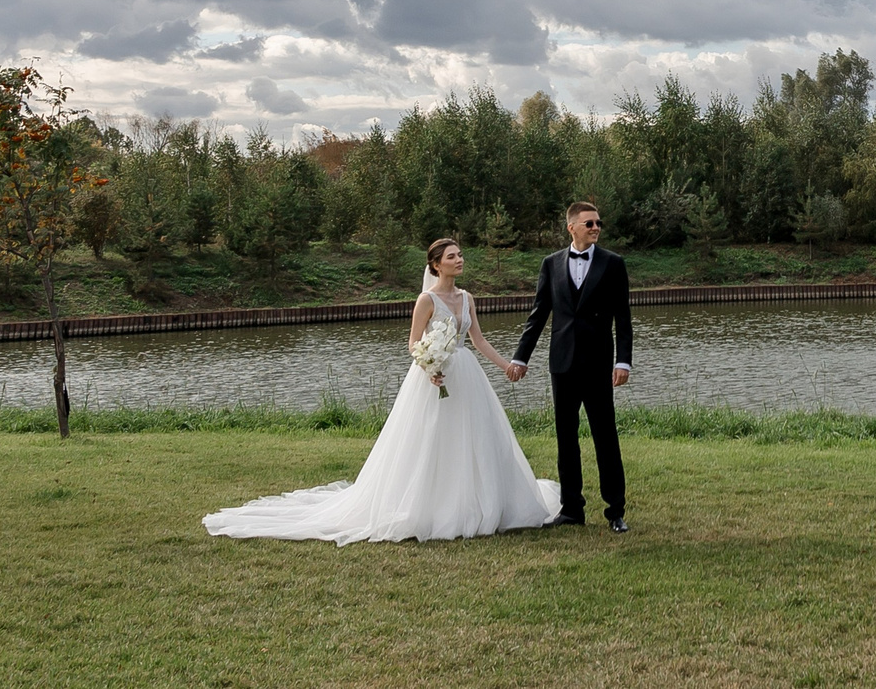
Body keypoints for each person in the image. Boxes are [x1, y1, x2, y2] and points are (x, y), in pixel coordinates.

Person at [202, 236, 561, 542]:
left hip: (466, 373)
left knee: (474, 436)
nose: (459, 260)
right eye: (452, 257)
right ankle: (431, 507)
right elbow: (413, 343)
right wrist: (429, 366)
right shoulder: (427, 301)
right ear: (436, 265)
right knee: (430, 440)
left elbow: (478, 339)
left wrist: (509, 366)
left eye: (460, 255)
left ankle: (480, 501)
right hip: (434, 376)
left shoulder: (467, 298)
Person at [509, 201, 633, 531]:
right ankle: (571, 509)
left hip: (598, 364)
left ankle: (615, 511)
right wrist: (521, 357)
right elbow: (538, 315)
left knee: (605, 436)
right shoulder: (551, 264)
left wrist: (623, 361)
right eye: (589, 223)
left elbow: (623, 317)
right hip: (561, 363)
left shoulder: (613, 264)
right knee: (566, 437)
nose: (596, 228)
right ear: (572, 227)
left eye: (598, 223)